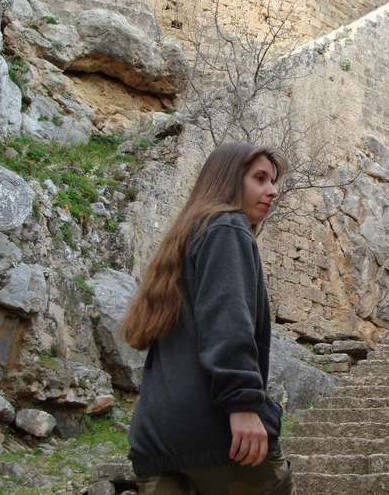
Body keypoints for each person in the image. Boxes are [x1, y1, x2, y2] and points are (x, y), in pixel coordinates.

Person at [122, 143, 294, 495]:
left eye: (273, 181)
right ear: (229, 180)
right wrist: (243, 405)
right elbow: (227, 322)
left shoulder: (188, 237)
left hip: (156, 440)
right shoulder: (228, 228)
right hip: (215, 432)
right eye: (260, 178)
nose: (272, 191)